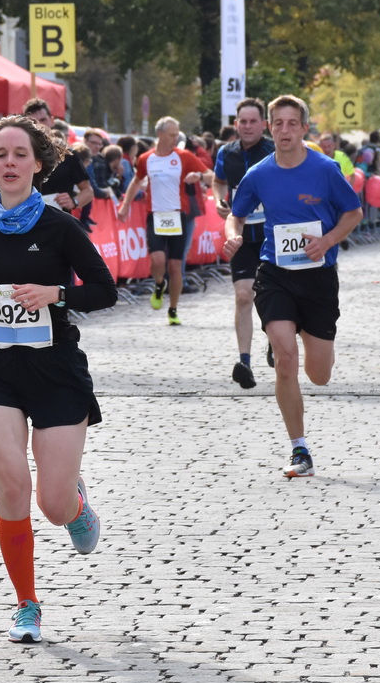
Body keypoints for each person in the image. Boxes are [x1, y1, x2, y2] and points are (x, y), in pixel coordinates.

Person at [0, 115, 117, 643]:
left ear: (38, 164)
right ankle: (27, 604)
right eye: (1, 154)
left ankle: (76, 506)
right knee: (12, 485)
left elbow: (105, 290)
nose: (10, 163)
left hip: (56, 367)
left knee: (51, 504)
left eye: (20, 154)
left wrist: (56, 294)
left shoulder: (59, 225)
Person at [222, 95, 364, 478]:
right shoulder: (259, 174)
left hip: (318, 277)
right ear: (270, 128)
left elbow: (354, 212)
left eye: (292, 123)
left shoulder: (325, 169)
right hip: (276, 273)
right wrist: (233, 235)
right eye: (278, 123)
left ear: (304, 128)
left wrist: (328, 241)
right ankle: (299, 449)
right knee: (286, 361)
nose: (285, 130)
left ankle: (296, 336)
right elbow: (235, 215)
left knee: (319, 375)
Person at [117, 116, 211, 325]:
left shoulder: (184, 156)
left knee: (176, 266)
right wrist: (125, 205)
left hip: (178, 216)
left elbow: (211, 175)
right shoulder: (146, 158)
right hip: (156, 216)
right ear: (160, 134)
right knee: (158, 260)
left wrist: (199, 176)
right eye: (172, 134)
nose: (176, 138)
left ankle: (173, 309)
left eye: (177, 134)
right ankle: (159, 283)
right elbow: (136, 181)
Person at [213, 97, 274, 388]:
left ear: (264, 124)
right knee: (242, 295)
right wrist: (219, 200)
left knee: (272, 295)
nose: (248, 126)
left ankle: (276, 338)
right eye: (243, 122)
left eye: (253, 121)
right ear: (236, 124)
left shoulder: (274, 151)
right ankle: (245, 362)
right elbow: (218, 181)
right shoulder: (226, 152)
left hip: (272, 234)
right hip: (241, 235)